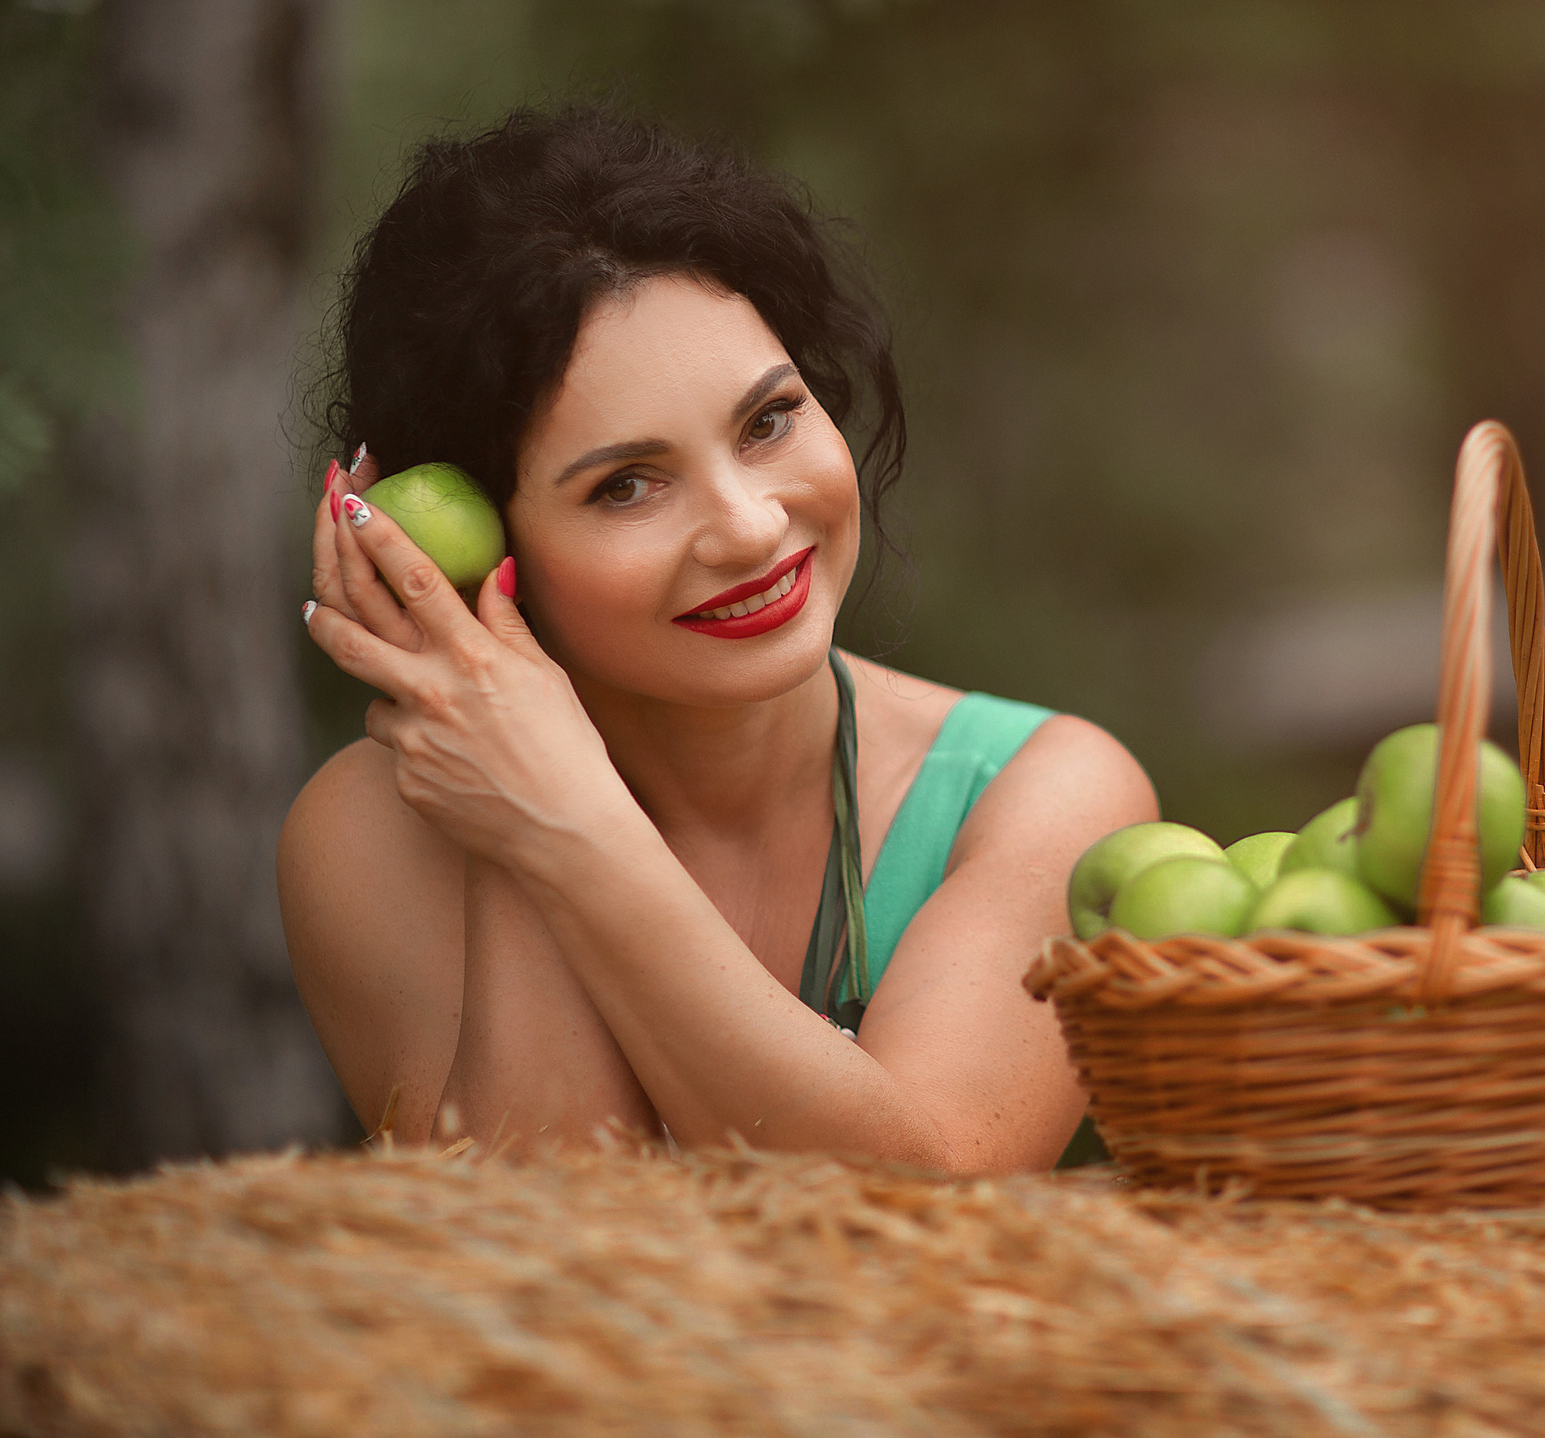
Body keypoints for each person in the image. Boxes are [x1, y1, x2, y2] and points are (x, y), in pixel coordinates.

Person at [278, 106, 1154, 1171]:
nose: (748, 527)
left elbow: (919, 1214)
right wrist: (511, 815)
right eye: (626, 485)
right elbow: (538, 1244)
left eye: (767, 421)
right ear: (478, 537)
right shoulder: (368, 835)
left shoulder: (1042, 798)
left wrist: (566, 823)